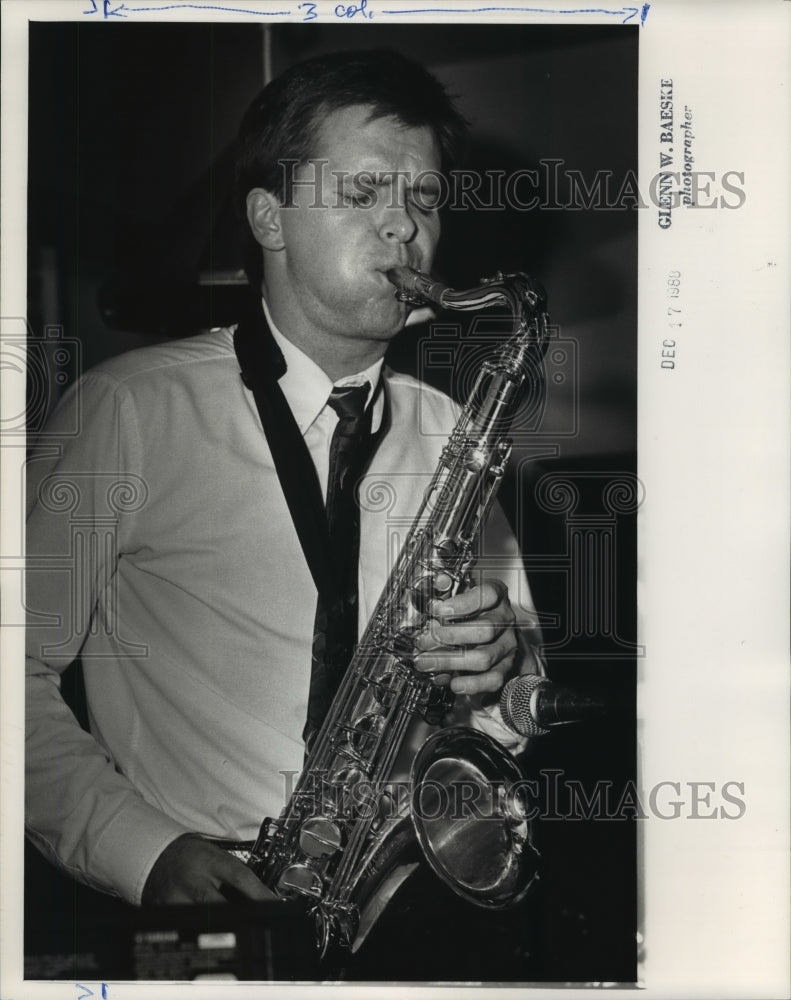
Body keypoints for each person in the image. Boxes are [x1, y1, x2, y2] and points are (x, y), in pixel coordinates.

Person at [25, 49, 543, 938]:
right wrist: (141, 850)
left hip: (400, 899)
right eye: (361, 193)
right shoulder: (129, 408)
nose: (402, 229)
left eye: (422, 198)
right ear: (268, 216)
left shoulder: (450, 428)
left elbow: (516, 704)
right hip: (200, 899)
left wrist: (501, 678)